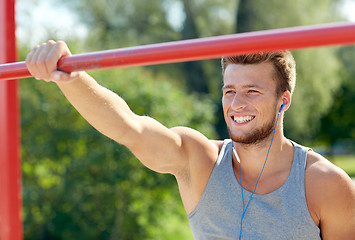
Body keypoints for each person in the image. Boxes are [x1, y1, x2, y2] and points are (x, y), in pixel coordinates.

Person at [26, 40, 355, 240]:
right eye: (230, 91)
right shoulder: (201, 161)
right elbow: (130, 129)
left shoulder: (325, 185)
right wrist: (69, 78)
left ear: (283, 101)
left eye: (252, 91)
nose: (237, 104)